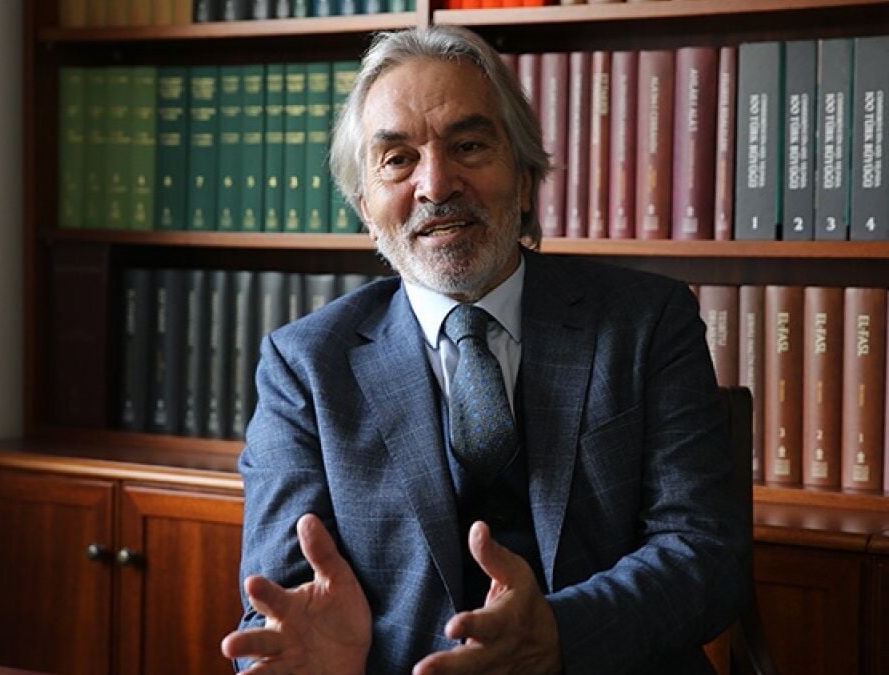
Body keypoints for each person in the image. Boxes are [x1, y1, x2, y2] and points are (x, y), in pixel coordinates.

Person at [221, 25, 751, 674]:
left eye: (468, 146)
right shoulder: (305, 365)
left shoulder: (648, 321)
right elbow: (277, 608)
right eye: (398, 159)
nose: (437, 185)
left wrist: (557, 633)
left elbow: (705, 553)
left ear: (525, 181)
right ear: (365, 209)